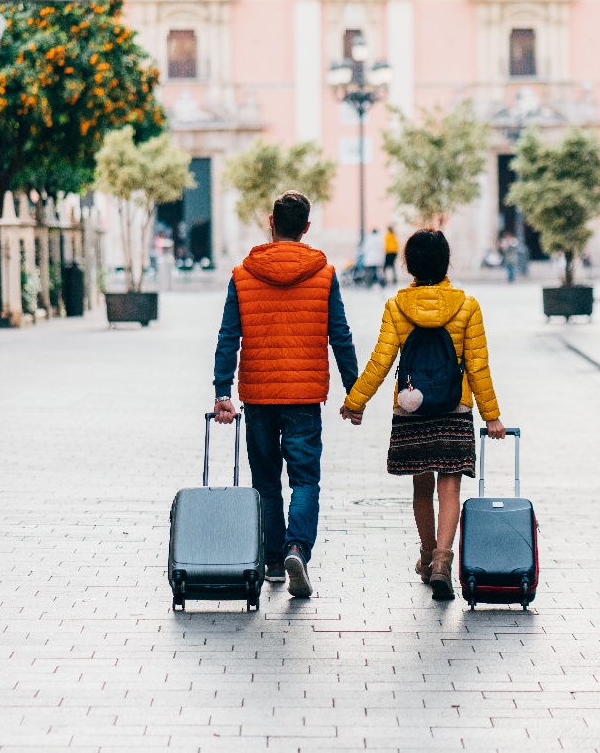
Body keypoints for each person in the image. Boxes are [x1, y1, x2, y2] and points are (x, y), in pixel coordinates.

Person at [339, 229, 506, 601]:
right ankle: (444, 563)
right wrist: (491, 415)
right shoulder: (467, 306)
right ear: (446, 262)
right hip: (454, 407)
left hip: (411, 407)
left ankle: (428, 556)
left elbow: (381, 362)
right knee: (450, 484)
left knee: (421, 484)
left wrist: (356, 401)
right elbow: (479, 367)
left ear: (409, 265)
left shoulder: (397, 306)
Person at [213, 191, 360, 598]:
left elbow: (229, 336)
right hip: (303, 397)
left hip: (258, 395)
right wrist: (355, 392)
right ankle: (297, 547)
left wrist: (221, 390)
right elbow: (340, 337)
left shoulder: (243, 274)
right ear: (307, 228)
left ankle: (274, 561)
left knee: (265, 481)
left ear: (271, 223)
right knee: (305, 480)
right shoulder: (324, 273)